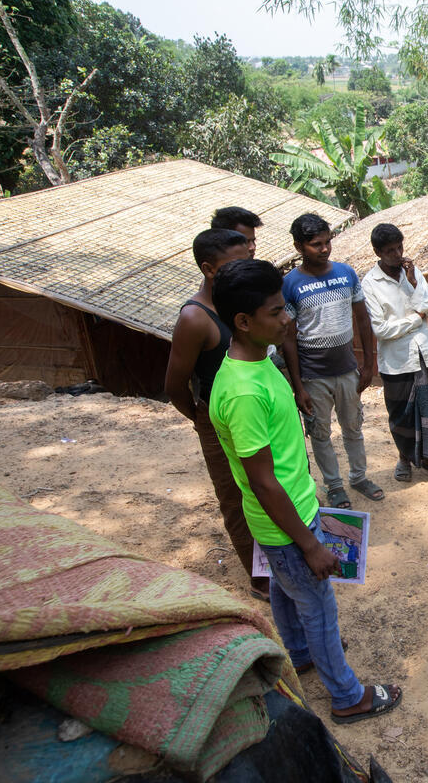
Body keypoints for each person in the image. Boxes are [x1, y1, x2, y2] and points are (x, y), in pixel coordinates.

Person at [208, 258, 401, 723]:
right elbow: (262, 480)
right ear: (243, 321)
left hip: (281, 518)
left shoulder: (256, 362)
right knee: (319, 609)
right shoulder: (244, 392)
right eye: (277, 312)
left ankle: (298, 652)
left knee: (283, 588)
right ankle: (346, 695)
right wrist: (311, 543)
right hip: (286, 521)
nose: (287, 319)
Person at [164, 228, 269, 602]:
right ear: (209, 269)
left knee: (267, 487)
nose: (246, 269)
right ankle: (260, 579)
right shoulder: (196, 318)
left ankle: (277, 560)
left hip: (255, 411)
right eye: (236, 264)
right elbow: (175, 382)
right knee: (236, 497)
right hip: (220, 418)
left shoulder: (244, 305)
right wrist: (200, 417)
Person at [281, 213, 383, 510]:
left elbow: (363, 320)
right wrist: (297, 385)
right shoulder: (290, 284)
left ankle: (359, 477)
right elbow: (288, 337)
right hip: (313, 375)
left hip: (347, 370)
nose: (324, 249)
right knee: (320, 433)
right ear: (299, 246)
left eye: (327, 242)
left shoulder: (346, 273)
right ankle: (335, 486)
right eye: (316, 244)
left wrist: (368, 365)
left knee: (353, 427)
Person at [360, 224, 428, 482]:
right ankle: (404, 459)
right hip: (396, 361)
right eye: (390, 250)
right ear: (377, 252)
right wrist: (416, 318)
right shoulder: (370, 283)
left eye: (399, 247)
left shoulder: (412, 273)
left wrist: (414, 284)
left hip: (421, 354)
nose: (397, 253)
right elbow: (381, 330)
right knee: (400, 412)